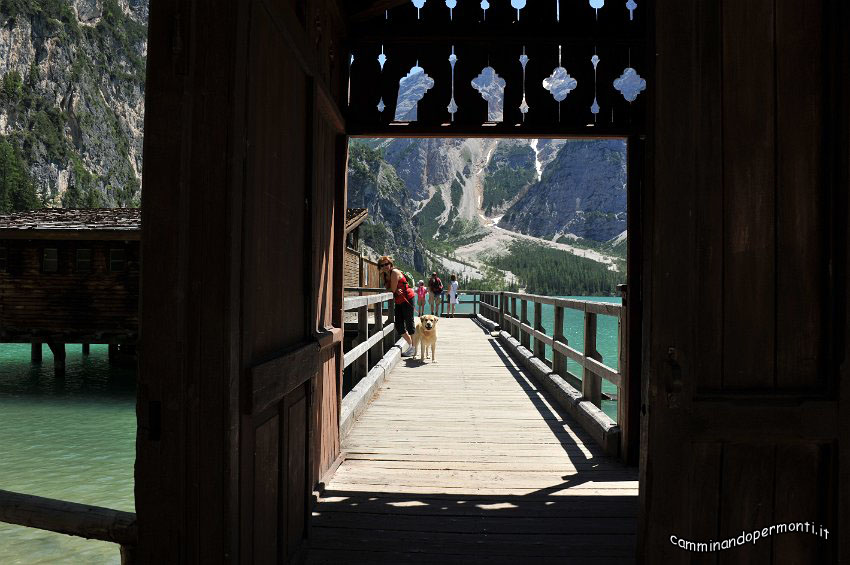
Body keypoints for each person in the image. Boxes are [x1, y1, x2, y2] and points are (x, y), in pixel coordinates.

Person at [378, 255, 416, 357]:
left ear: (390, 264)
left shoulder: (394, 272)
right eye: (382, 265)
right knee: (399, 325)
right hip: (399, 301)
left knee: (409, 322)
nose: (385, 266)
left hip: (407, 298)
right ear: (380, 267)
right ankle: (411, 345)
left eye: (387, 264)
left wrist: (393, 290)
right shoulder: (384, 275)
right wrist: (392, 289)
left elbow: (392, 289)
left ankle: (414, 347)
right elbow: (390, 289)